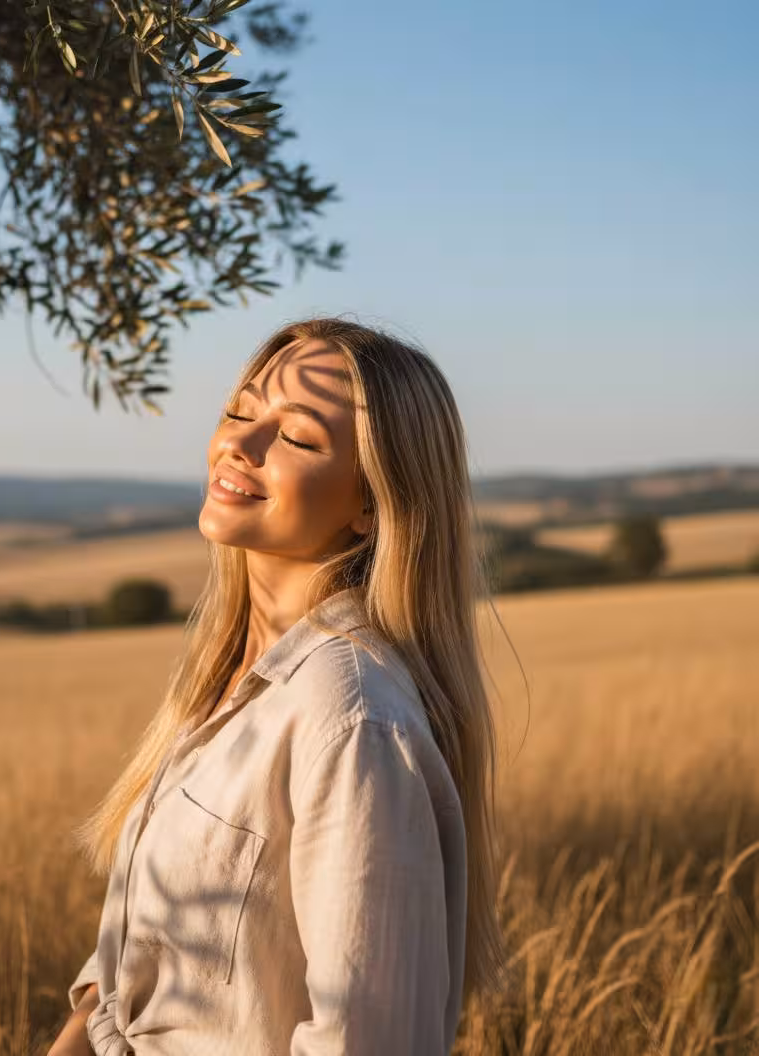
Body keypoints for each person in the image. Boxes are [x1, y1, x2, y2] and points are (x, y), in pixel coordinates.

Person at [47, 317, 506, 1056]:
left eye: (295, 438)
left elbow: (366, 1042)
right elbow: (128, 973)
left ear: (371, 504)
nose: (239, 443)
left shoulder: (350, 720)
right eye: (240, 411)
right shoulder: (230, 681)